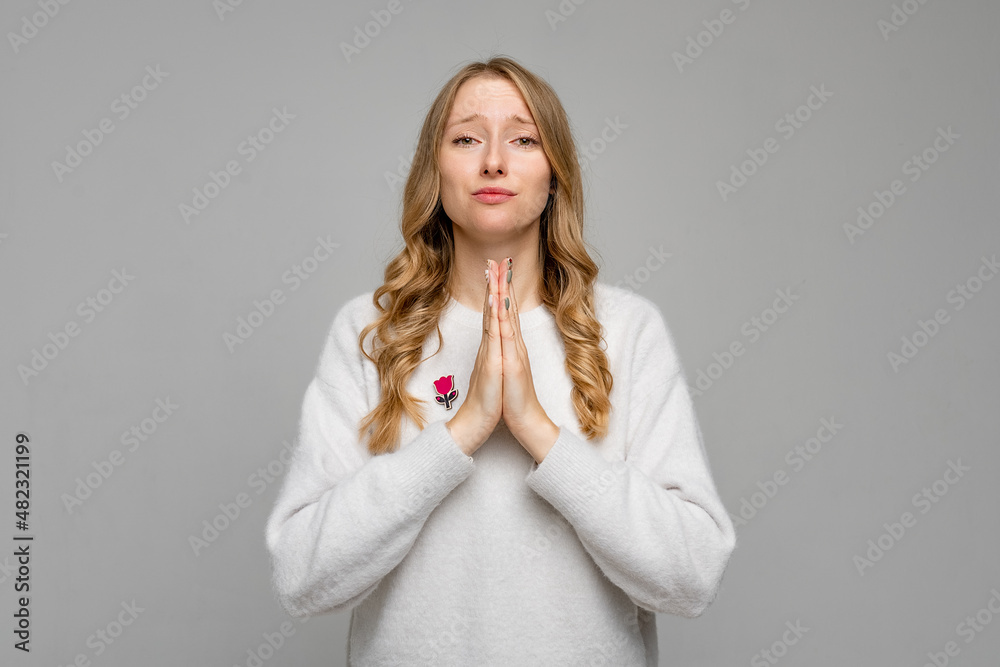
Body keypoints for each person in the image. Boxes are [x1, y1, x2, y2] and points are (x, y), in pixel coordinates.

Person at [265, 55, 736, 666]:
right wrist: (460, 431)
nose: (493, 161)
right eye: (466, 138)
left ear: (555, 176)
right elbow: (301, 577)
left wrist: (538, 429)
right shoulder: (370, 332)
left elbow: (692, 576)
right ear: (434, 171)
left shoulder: (627, 331)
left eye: (523, 139)